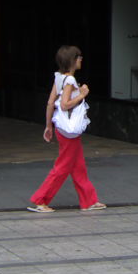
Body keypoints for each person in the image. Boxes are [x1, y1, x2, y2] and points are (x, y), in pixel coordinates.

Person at [28, 45, 106, 213]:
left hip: (62, 128)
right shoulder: (70, 80)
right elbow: (64, 105)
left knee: (78, 166)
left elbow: (50, 103)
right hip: (69, 130)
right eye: (79, 57)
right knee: (63, 167)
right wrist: (82, 94)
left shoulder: (59, 78)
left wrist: (48, 126)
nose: (81, 59)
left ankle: (89, 200)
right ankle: (41, 200)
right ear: (72, 61)